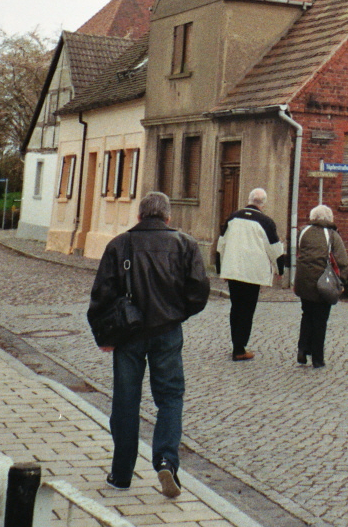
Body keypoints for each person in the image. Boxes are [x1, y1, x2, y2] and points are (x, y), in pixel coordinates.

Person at [89, 191, 209, 497]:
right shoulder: (185, 244)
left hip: (128, 335)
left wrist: (105, 336)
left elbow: (102, 295)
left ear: (140, 215)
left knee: (126, 400)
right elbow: (198, 293)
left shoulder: (120, 244)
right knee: (170, 396)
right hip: (167, 331)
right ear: (168, 217)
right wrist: (176, 312)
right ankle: (167, 460)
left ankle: (121, 474)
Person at [215, 187, 288, 360]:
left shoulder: (232, 218)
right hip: (253, 273)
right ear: (264, 204)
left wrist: (221, 269)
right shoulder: (266, 222)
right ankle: (240, 347)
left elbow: (221, 245)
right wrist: (280, 269)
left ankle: (236, 344)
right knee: (248, 308)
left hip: (233, 270)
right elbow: (275, 248)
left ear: (248, 199)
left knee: (236, 307)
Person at [292, 204, 348, 369]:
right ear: (329, 219)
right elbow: (342, 262)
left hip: (303, 281)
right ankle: (317, 358)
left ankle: (302, 349)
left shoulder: (303, 232)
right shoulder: (332, 235)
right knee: (320, 320)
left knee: (306, 315)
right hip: (323, 283)